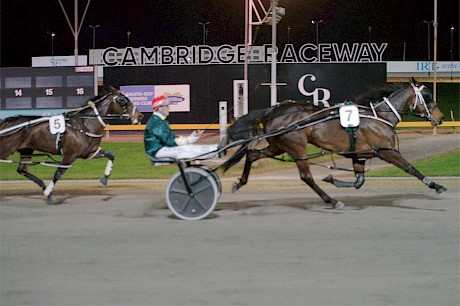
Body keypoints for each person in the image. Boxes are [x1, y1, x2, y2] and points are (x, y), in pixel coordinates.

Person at [144, 95, 219, 160]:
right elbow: (169, 142)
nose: (168, 108)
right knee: (187, 149)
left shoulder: (159, 121)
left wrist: (189, 139)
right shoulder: (157, 122)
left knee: (189, 147)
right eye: (166, 106)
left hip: (160, 149)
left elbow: (171, 139)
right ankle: (215, 151)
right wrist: (187, 140)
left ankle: (215, 149)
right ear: (159, 108)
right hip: (157, 151)